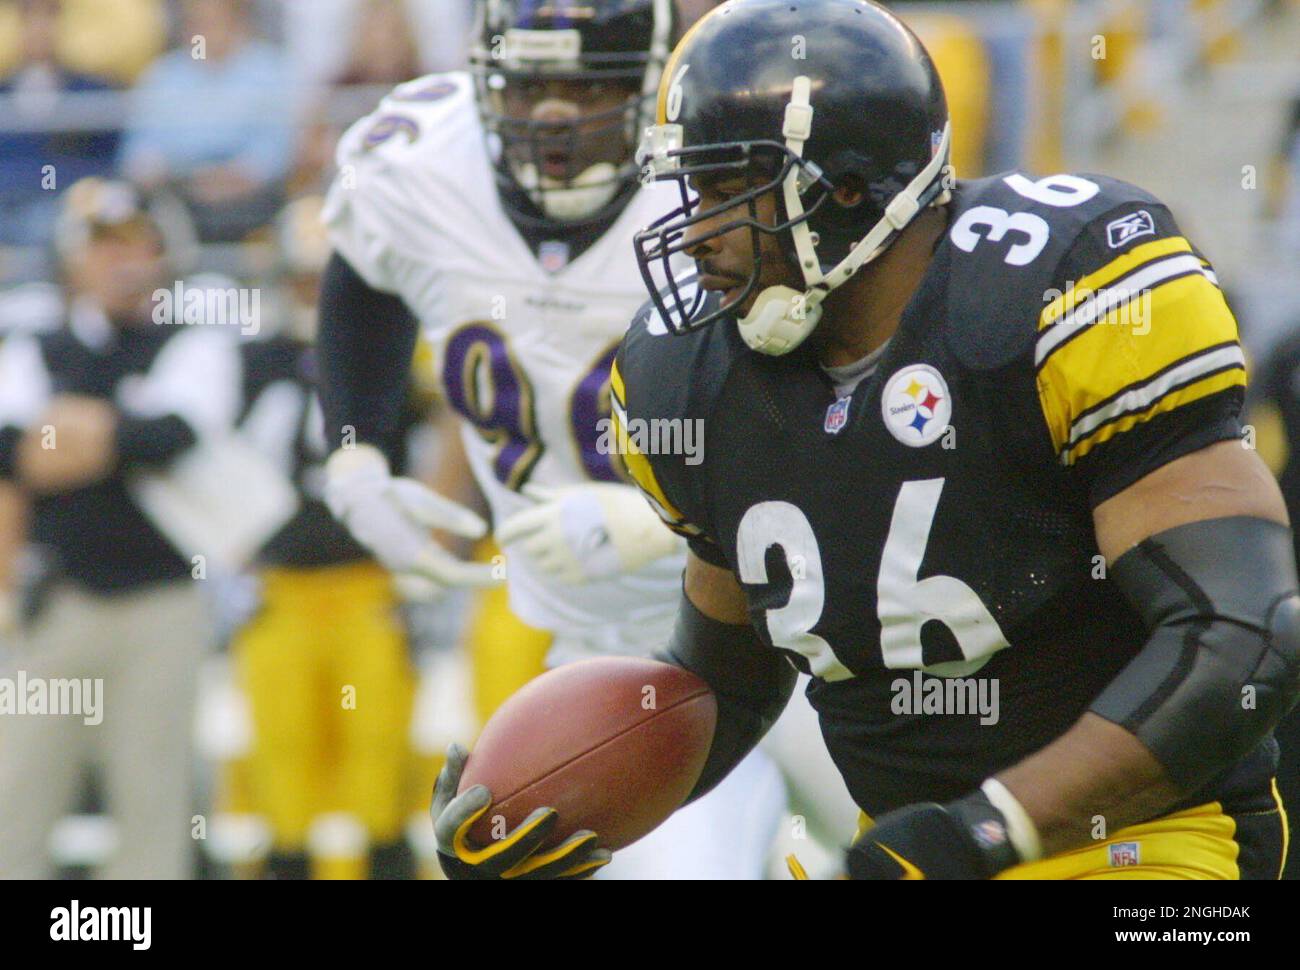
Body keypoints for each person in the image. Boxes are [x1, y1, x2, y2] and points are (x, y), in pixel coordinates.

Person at [432, 0, 1300, 880]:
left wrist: (985, 832)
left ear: (847, 188)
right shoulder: (686, 377)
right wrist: (541, 813)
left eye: (729, 191)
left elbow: (1244, 632)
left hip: (1146, 847)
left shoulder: (1062, 287)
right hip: (907, 849)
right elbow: (728, 677)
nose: (694, 233)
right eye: (692, 192)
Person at [316, 0, 786, 878]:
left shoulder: (723, 171)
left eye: (587, 83)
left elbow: (833, 388)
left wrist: (666, 517)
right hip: (610, 655)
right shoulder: (419, 164)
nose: (555, 116)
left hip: (809, 610)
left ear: (652, 84)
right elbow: (360, 277)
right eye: (531, 86)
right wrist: (357, 453)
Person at [0, 177, 239, 878]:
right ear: (75, 259)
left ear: (166, 255)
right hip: (58, 598)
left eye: (138, 243)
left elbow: (169, 436)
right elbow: (10, 453)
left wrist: (67, 432)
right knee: (20, 787)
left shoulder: (194, 340)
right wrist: (108, 435)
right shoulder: (33, 341)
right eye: (104, 246)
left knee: (152, 795)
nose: (122, 261)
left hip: (162, 600)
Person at [228, 196, 424, 880]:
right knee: (282, 756)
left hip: (367, 585)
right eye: (304, 280)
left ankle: (385, 860)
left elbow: (446, 440)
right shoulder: (246, 360)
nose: (316, 297)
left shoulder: (395, 356)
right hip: (279, 589)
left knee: (378, 754)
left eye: (326, 280)